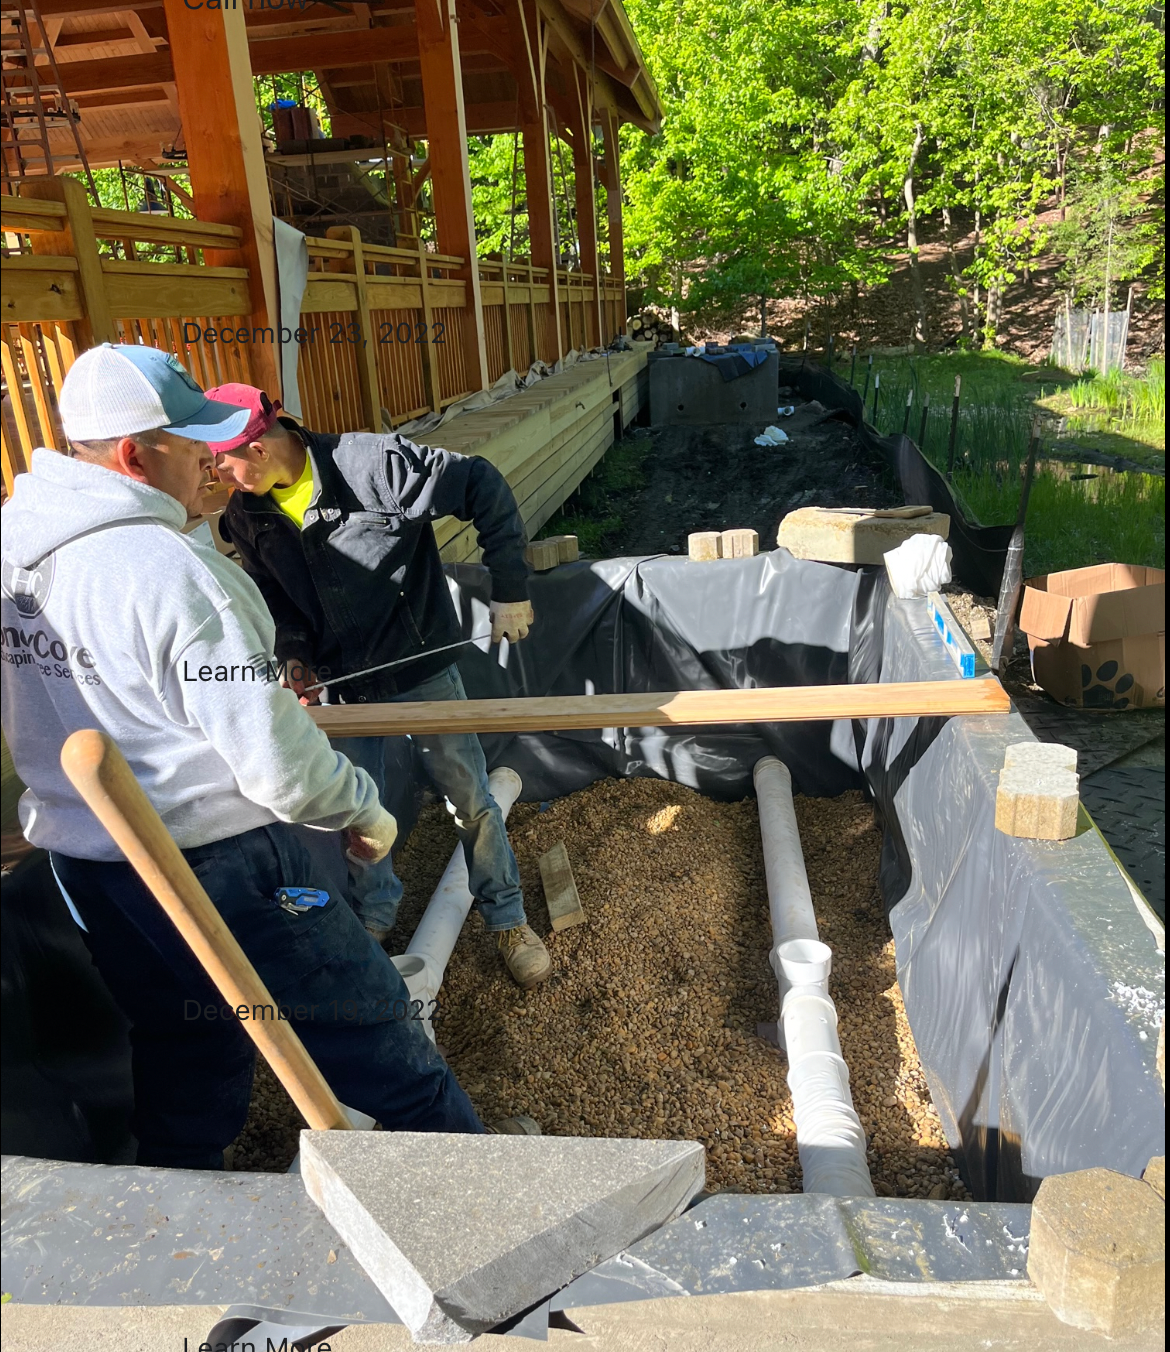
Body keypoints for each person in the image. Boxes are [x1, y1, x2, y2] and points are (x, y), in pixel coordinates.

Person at [0, 343, 495, 1171]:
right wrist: (363, 810)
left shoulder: (15, 545)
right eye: (196, 448)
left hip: (95, 872)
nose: (214, 466)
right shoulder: (170, 570)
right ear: (134, 454)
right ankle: (486, 1189)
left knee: (186, 1044)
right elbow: (279, 766)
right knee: (377, 1033)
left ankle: (184, 1220)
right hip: (221, 867)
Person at [206, 383, 552, 989]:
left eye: (223, 462)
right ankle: (376, 917)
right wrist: (295, 657)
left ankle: (507, 917)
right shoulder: (246, 516)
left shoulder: (373, 465)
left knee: (470, 798)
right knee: (354, 810)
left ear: (257, 446)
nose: (220, 477)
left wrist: (511, 587)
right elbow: (277, 604)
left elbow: (481, 483)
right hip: (345, 684)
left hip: (423, 668)